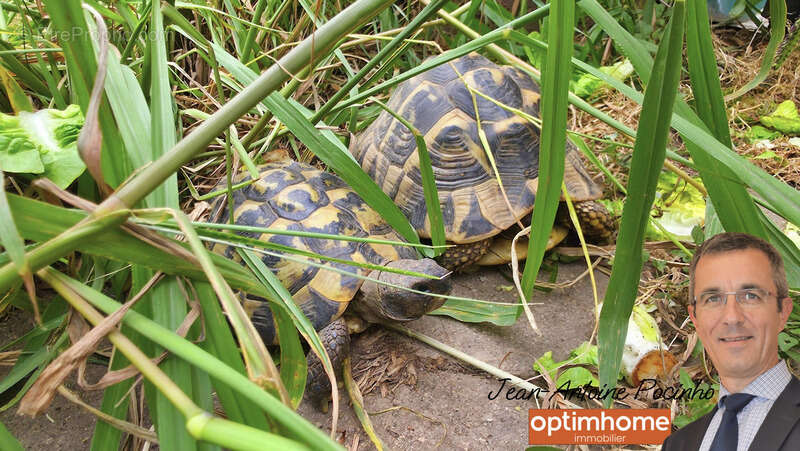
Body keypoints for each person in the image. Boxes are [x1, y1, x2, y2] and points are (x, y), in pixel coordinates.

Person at [661, 232, 800, 451]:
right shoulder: (678, 445)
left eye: (751, 296)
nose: (732, 317)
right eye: (713, 299)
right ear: (695, 318)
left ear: (782, 312)